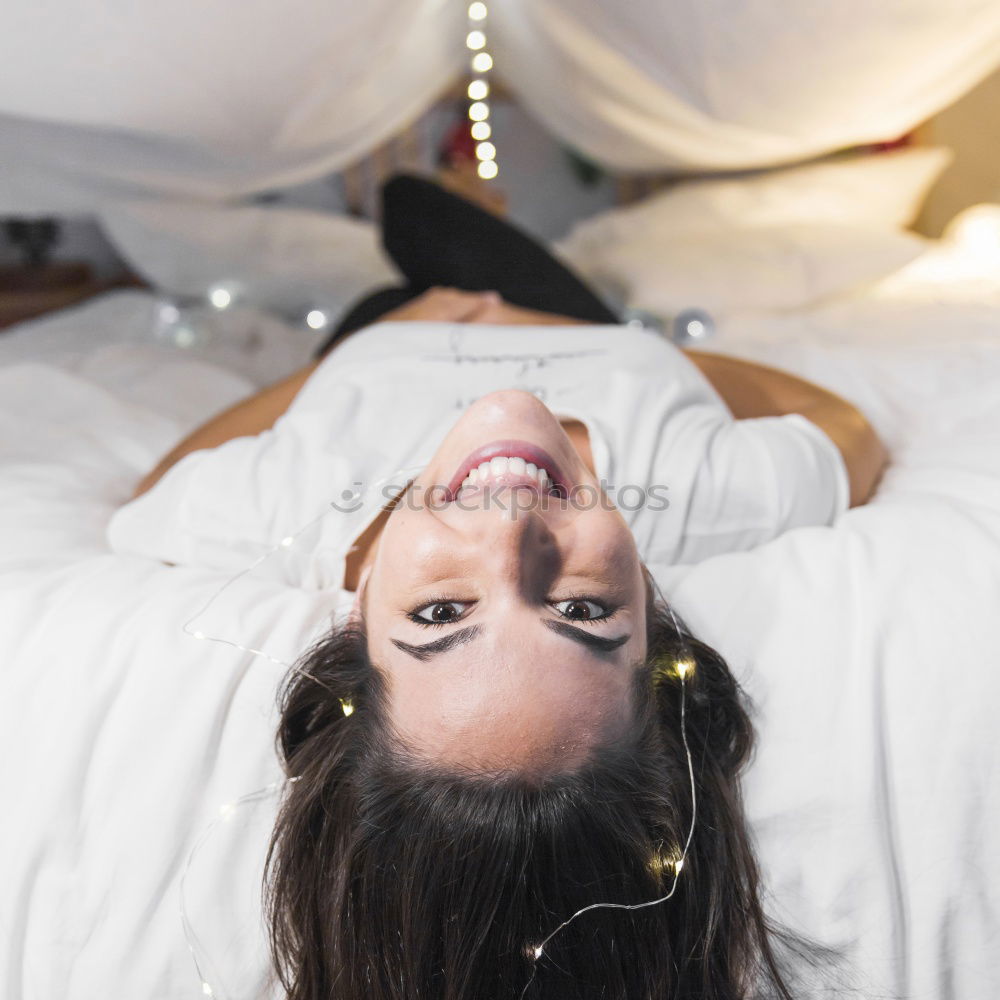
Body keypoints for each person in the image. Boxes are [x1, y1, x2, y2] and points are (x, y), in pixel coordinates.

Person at [128, 175, 886, 999]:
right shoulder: (713, 495)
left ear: (354, 627)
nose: (511, 525)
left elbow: (158, 488)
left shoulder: (273, 509)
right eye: (582, 608)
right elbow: (846, 431)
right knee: (420, 208)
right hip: (583, 327)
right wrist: (640, 347)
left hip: (378, 346)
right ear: (657, 619)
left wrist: (375, 340)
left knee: (402, 216)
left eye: (444, 611)